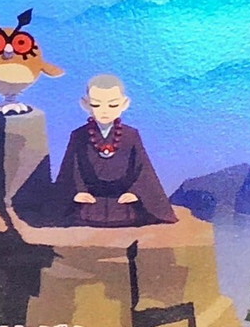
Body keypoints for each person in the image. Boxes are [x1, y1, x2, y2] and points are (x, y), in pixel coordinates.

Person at [54, 74, 177, 227]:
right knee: (81, 213)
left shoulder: (131, 135)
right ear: (85, 104)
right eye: (96, 105)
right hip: (90, 199)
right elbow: (71, 168)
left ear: (124, 104)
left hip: (123, 198)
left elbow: (143, 168)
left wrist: (135, 191)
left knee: (131, 213)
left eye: (112, 105)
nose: (104, 111)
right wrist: (78, 190)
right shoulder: (79, 135)